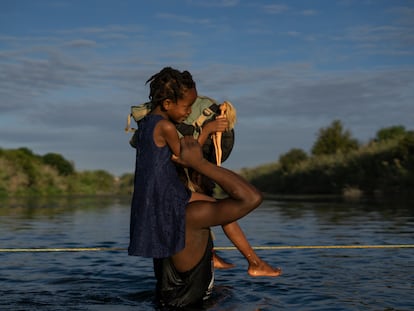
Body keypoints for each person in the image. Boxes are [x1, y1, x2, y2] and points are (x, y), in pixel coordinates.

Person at [128, 67, 228, 258]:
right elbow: (188, 159)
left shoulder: (147, 123)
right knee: (222, 209)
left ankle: (222, 258)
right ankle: (253, 262)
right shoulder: (166, 127)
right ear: (167, 103)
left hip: (150, 194)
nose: (189, 112)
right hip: (168, 192)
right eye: (187, 107)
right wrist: (206, 130)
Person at [154, 136, 265, 308]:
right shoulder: (192, 216)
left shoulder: (166, 212)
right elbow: (252, 198)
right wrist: (200, 163)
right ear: (198, 177)